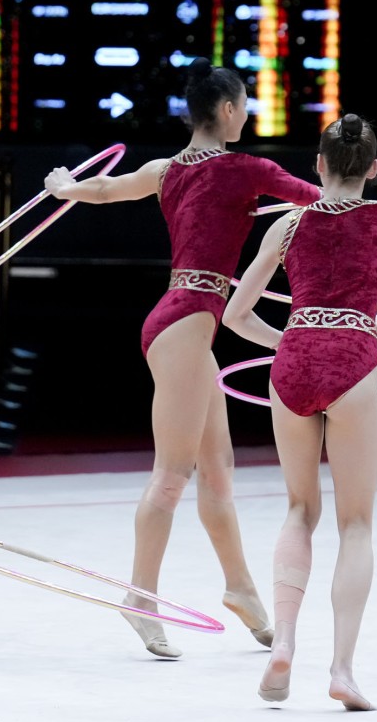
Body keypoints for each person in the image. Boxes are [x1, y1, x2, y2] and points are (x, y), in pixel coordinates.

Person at [44, 58, 321, 658]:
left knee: (217, 473)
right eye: (245, 106)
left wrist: (65, 187)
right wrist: (372, 210)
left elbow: (104, 190)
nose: (247, 116)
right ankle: (138, 597)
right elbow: (320, 202)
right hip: (186, 324)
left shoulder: (165, 169)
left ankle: (240, 588)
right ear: (227, 109)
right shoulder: (248, 168)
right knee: (171, 476)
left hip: (184, 323)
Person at [223, 112, 377, 710]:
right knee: (356, 524)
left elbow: (236, 315)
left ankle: (283, 643)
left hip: (293, 364)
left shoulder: (288, 224)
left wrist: (291, 339)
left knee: (300, 510)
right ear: (373, 169)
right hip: (353, 360)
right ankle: (342, 670)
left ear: (318, 165)